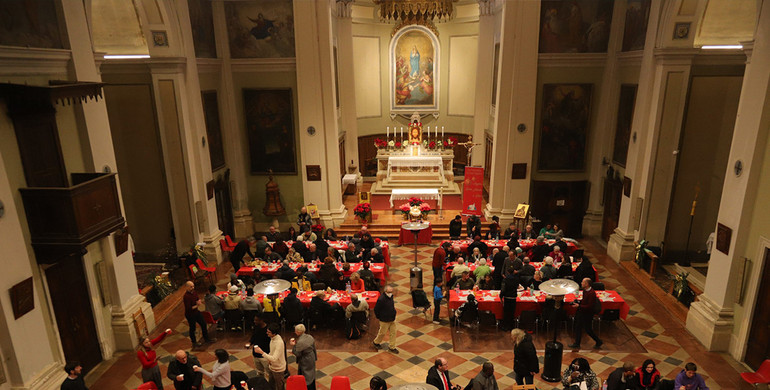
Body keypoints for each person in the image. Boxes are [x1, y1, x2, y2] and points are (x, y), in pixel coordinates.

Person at [568, 278, 603, 349]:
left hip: (587, 314)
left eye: (583, 282)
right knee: (578, 327)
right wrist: (578, 302)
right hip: (582, 312)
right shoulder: (585, 290)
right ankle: (577, 343)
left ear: (587, 284)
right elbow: (584, 301)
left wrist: (579, 306)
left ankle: (598, 341)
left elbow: (589, 306)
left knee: (588, 329)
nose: (581, 283)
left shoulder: (591, 293)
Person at [254, 323, 287, 390]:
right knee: (271, 385)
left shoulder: (279, 343)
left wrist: (261, 352)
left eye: (269, 332)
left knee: (279, 386)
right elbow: (272, 352)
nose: (267, 333)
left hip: (278, 369)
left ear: (274, 333)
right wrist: (268, 357)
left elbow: (274, 358)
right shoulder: (272, 338)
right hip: (272, 367)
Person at [183, 281, 214, 347]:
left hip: (196, 312)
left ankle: (206, 339)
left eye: (193, 286)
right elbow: (189, 308)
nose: (193, 288)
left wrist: (198, 301)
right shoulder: (186, 296)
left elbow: (197, 298)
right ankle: (194, 342)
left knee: (203, 323)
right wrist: (197, 305)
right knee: (192, 328)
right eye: (191, 287)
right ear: (187, 287)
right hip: (190, 314)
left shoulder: (194, 292)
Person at [291, 324, 317, 390]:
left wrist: (293, 346)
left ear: (298, 332)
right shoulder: (310, 337)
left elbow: (297, 354)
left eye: (295, 331)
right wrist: (315, 358)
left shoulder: (300, 342)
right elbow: (314, 348)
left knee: (306, 375)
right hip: (311, 357)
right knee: (311, 374)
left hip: (305, 360)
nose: (295, 332)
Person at [373, 285, 398, 353]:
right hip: (384, 320)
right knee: (382, 333)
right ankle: (376, 342)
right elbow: (376, 309)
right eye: (389, 292)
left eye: (391, 292)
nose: (391, 293)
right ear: (385, 292)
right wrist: (379, 317)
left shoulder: (391, 296)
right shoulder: (381, 299)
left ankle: (392, 347)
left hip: (392, 318)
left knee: (393, 333)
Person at [247, 314, 271, 382]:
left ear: (262, 320)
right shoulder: (256, 327)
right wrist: (250, 343)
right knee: (259, 372)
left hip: (265, 355)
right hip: (256, 354)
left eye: (256, 320)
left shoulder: (268, 330)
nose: (254, 321)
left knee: (269, 372)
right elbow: (253, 336)